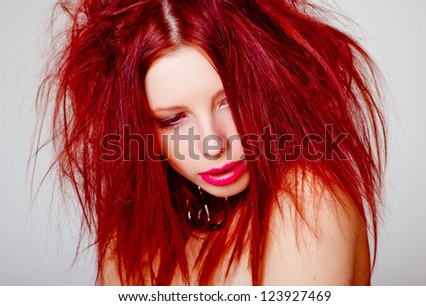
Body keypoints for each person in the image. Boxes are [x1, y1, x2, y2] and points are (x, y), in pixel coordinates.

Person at [35, 0, 386, 285]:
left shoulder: (307, 200)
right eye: (174, 119)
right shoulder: (132, 240)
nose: (211, 144)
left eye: (231, 100)